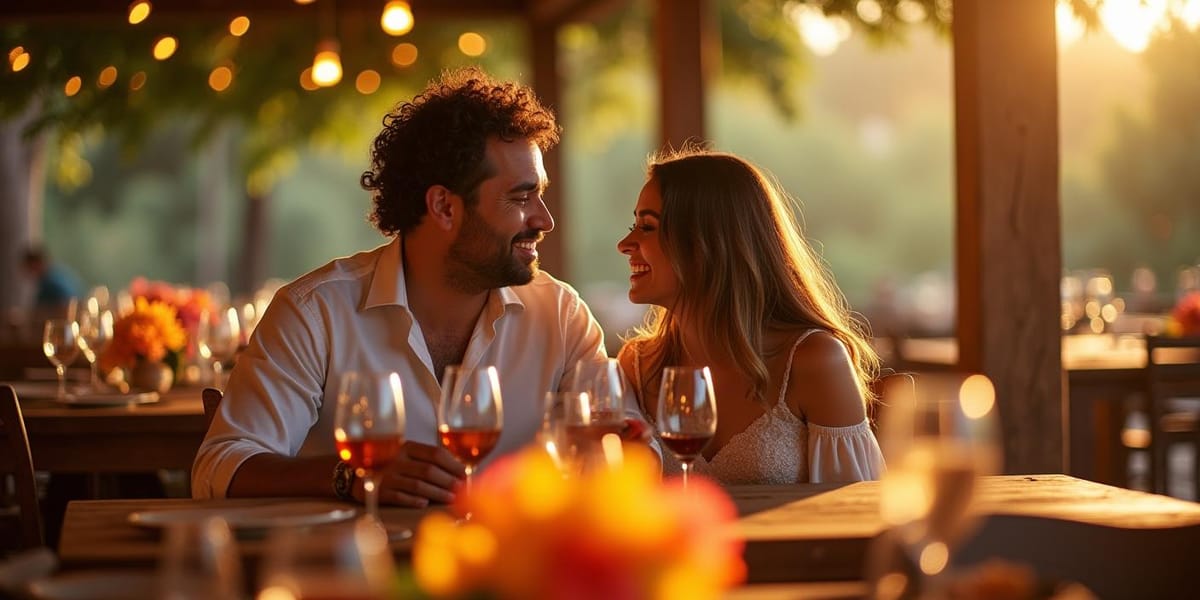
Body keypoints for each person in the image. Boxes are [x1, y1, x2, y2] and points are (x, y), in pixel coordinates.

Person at [192, 67, 609, 506]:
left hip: (507, 571)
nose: (545, 219)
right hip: (352, 570)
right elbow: (220, 465)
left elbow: (630, 447)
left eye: (540, 195)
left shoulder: (562, 315)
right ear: (444, 207)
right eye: (521, 198)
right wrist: (349, 476)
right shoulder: (316, 312)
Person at [616, 147, 885, 485]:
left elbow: (859, 514)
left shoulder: (814, 360)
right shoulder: (638, 367)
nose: (625, 243)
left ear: (707, 242)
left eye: (647, 226)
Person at [21, 246, 82, 313]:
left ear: (36, 263)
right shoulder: (57, 272)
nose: (29, 273)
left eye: (29, 268)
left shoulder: (52, 282)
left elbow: (66, 307)